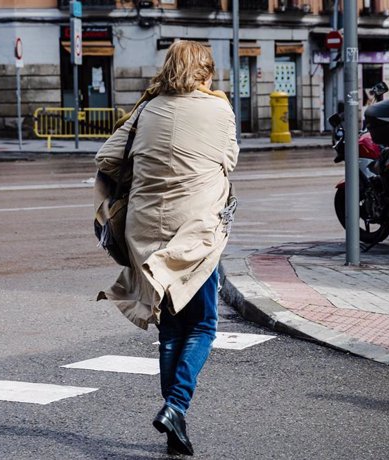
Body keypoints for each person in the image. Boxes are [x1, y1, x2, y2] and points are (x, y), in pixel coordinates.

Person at [94, 40, 239, 456]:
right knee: (203, 324)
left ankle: (177, 427)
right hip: (194, 232)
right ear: (203, 72)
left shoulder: (146, 109)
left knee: (171, 327)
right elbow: (229, 161)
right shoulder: (218, 109)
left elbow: (106, 158)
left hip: (144, 231)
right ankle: (175, 406)